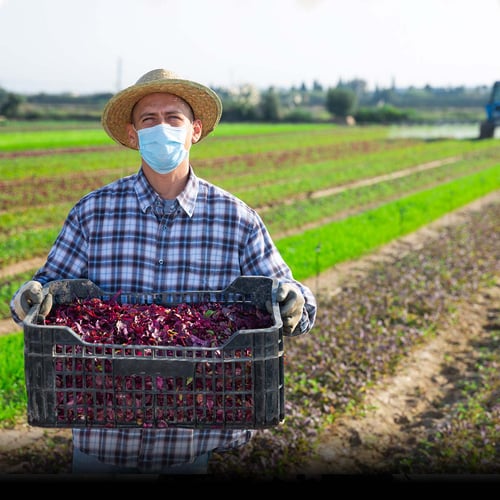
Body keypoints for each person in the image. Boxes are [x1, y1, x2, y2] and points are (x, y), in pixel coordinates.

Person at [10, 68, 317, 476]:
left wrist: (294, 303)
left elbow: (293, 296)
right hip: (104, 437)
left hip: (194, 440)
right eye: (148, 120)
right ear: (133, 134)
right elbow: (45, 292)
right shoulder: (93, 213)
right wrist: (30, 298)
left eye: (174, 117)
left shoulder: (236, 220)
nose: (162, 128)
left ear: (196, 130)